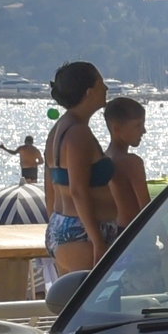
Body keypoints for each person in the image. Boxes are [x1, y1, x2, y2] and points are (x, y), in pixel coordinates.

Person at [43, 62, 115, 275]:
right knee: (99, 305)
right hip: (82, 233)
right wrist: (98, 241)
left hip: (62, 224)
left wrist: (55, 224)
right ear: (89, 92)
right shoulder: (78, 133)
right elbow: (78, 190)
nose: (106, 89)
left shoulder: (58, 130)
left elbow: (50, 187)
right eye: (102, 83)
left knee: (70, 303)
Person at [103, 97, 150, 236]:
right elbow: (146, 206)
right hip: (133, 234)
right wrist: (159, 230)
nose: (144, 131)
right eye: (138, 125)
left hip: (113, 234)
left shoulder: (104, 158)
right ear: (117, 130)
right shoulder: (131, 163)